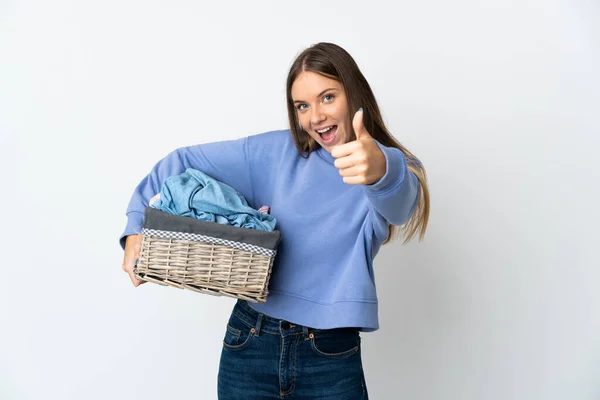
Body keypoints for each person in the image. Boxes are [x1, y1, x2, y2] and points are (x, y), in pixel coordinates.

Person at [119, 42, 430, 399]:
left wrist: (380, 170)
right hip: (249, 341)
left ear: (353, 94)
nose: (315, 117)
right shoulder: (274, 154)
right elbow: (181, 161)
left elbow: (400, 205)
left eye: (328, 97)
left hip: (329, 355)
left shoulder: (392, 167)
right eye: (303, 105)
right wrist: (135, 227)